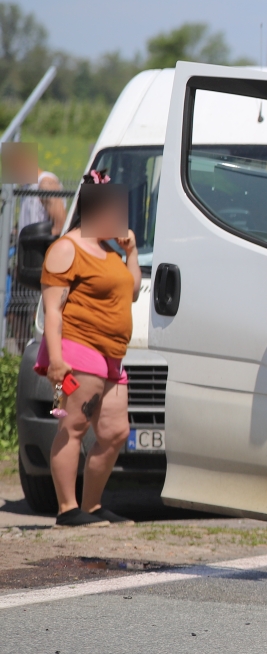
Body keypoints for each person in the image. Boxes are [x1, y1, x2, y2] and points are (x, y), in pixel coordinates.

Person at [36, 175, 141, 526]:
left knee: (115, 433)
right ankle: (68, 508)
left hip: (112, 356)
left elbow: (134, 290)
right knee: (75, 426)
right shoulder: (67, 248)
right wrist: (57, 361)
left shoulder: (111, 252)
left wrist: (132, 253)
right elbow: (53, 309)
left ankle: (92, 506)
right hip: (78, 351)